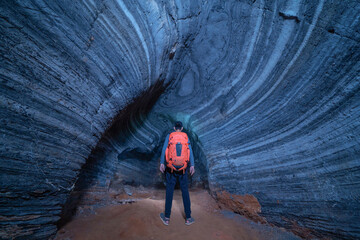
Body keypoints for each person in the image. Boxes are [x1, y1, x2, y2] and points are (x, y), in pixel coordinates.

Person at [159, 121, 195, 226]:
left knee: (169, 191)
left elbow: (164, 149)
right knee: (185, 192)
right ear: (182, 128)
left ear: (174, 128)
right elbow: (190, 151)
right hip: (183, 169)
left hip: (171, 169)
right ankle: (188, 218)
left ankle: (166, 218)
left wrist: (162, 163)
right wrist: (192, 165)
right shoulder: (185, 136)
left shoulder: (169, 136)